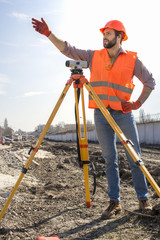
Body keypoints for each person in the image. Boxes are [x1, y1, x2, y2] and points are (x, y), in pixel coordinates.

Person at [32, 18, 155, 219]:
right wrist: (49, 34)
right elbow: (69, 50)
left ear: (119, 36)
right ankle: (114, 202)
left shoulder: (133, 60)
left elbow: (150, 81)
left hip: (123, 114)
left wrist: (137, 104)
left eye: (108, 33)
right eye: (103, 33)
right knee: (110, 160)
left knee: (135, 158)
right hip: (101, 114)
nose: (104, 37)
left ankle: (143, 200)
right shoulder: (95, 56)